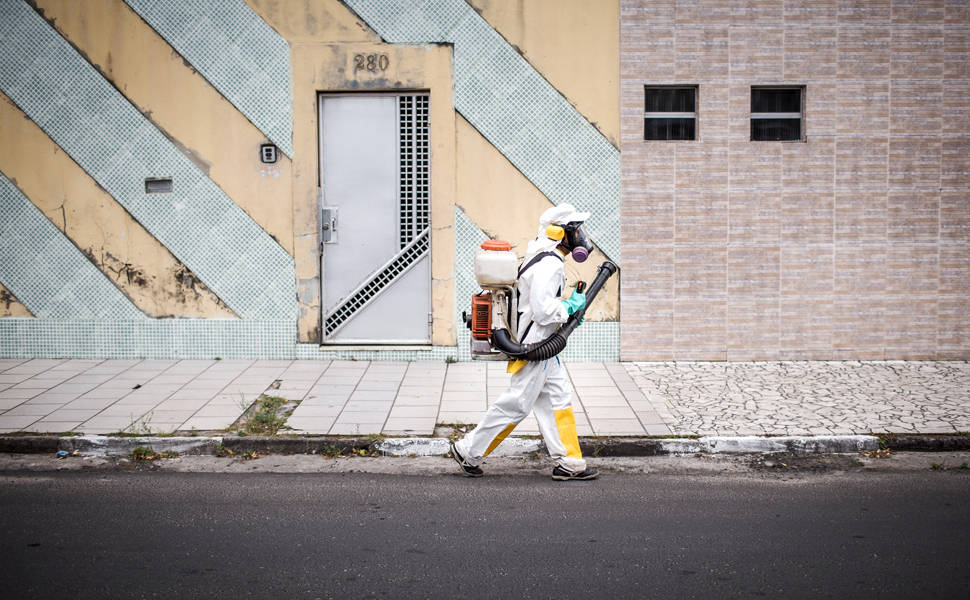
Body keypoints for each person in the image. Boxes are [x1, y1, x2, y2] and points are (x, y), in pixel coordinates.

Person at [450, 203, 599, 481]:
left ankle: (569, 461)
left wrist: (567, 306)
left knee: (557, 399)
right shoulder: (550, 263)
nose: (581, 236)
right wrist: (569, 307)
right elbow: (543, 310)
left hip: (544, 347)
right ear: (560, 232)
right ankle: (468, 450)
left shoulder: (541, 256)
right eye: (576, 229)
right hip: (536, 345)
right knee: (517, 404)